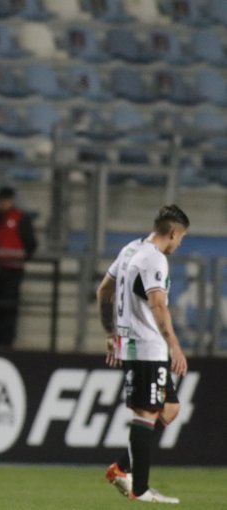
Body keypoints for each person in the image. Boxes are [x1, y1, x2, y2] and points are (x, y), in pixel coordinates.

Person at [96, 205, 190, 504]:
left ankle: (121, 468)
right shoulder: (154, 260)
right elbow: (158, 305)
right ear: (173, 232)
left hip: (137, 343)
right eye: (181, 238)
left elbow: (103, 291)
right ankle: (141, 488)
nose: (179, 245)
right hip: (147, 345)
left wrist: (111, 333)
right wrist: (175, 344)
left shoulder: (130, 250)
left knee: (169, 409)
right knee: (147, 413)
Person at [0, 186, 36, 347]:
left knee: (9, 306)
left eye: (6, 200)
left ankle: (7, 340)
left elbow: (31, 243)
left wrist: (21, 258)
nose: (3, 204)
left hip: (12, 270)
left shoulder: (20, 218)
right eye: (1, 200)